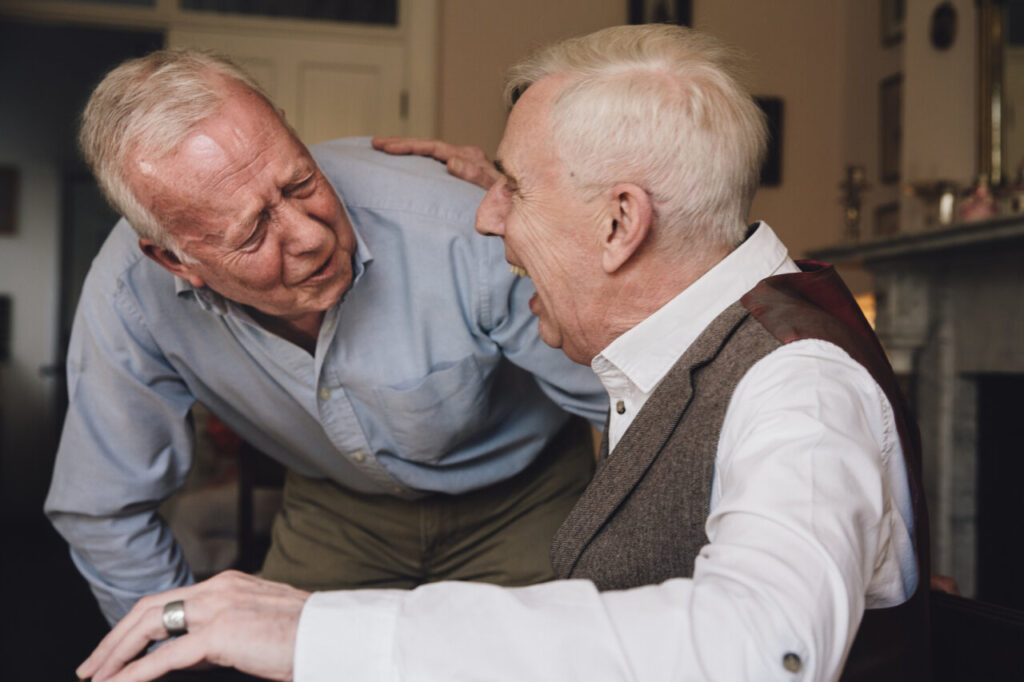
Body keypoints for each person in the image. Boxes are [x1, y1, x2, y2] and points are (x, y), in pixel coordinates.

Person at [77, 25, 930, 682]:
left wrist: (317, 631)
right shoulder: (686, 348)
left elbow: (763, 649)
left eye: (509, 187)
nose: (481, 217)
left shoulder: (798, 388)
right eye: (256, 228)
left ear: (619, 222)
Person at [45, 48, 609, 628]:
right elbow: (104, 508)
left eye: (300, 182)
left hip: (526, 495)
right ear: (173, 259)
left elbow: (633, 405)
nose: (311, 237)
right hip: (336, 510)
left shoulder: (459, 230)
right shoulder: (130, 297)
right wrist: (176, 650)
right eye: (254, 231)